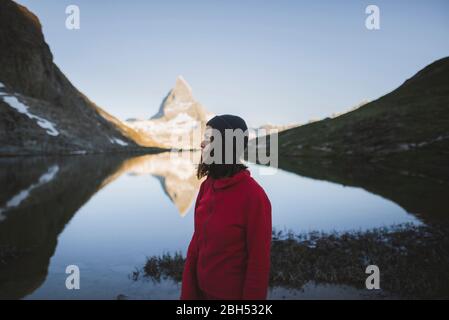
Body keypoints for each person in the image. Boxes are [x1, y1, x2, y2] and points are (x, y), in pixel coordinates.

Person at [180, 114, 272, 300]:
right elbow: (196, 246)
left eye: (209, 139)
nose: (201, 144)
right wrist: (188, 294)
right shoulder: (206, 186)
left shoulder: (254, 197)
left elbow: (258, 264)